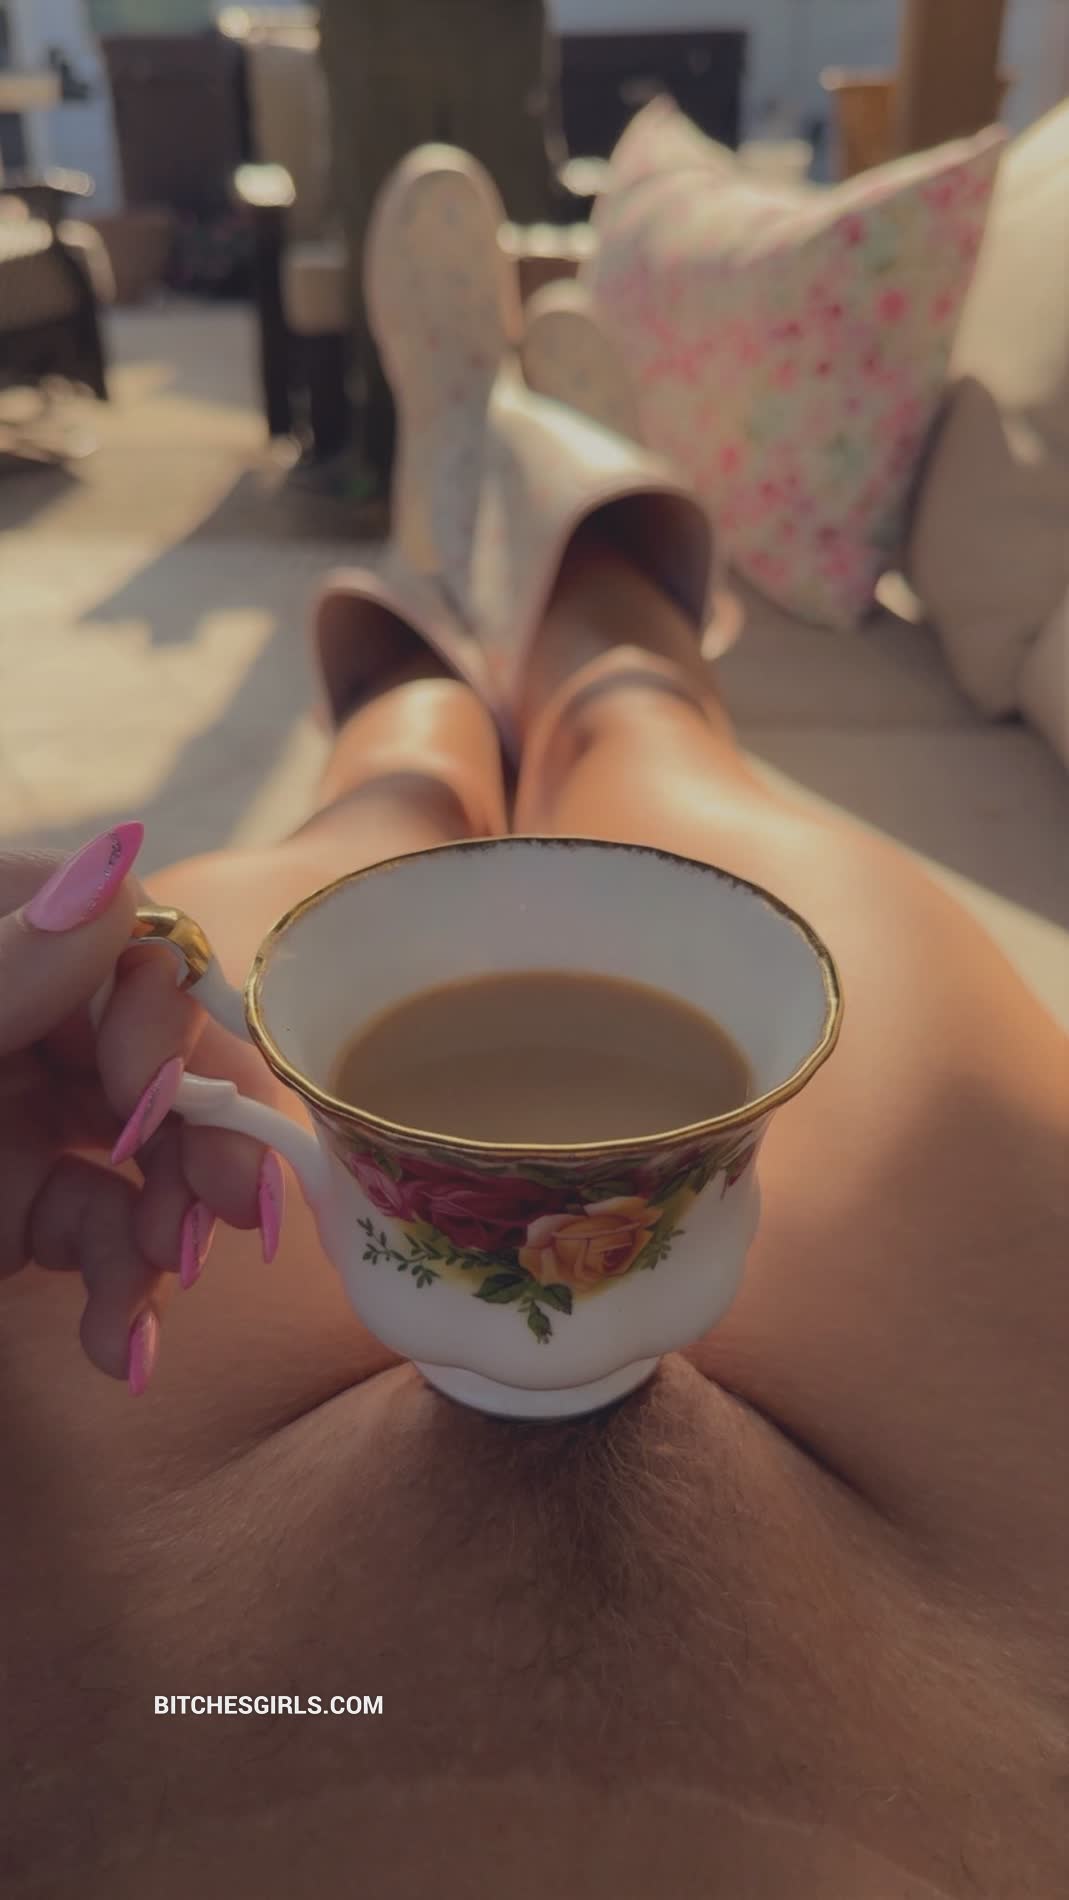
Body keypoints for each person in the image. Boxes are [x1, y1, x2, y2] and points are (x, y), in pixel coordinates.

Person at [2, 145, 1065, 1900]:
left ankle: (426, 649)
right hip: (981, 1645)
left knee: (380, 822)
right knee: (672, 776)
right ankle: (600, 614)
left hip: (156, 1648)